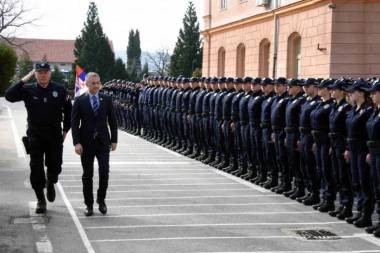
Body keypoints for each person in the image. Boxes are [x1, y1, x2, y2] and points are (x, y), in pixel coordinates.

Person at [5, 62, 72, 214]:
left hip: (54, 133)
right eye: (39, 72)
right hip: (35, 134)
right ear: (35, 74)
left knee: (55, 165)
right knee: (36, 166)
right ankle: (41, 199)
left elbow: (69, 110)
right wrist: (24, 79)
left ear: (50, 73)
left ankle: (51, 181)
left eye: (45, 72)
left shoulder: (59, 89)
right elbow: (9, 96)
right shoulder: (28, 89)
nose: (43, 75)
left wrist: (66, 130)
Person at [71, 72, 118, 217]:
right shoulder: (79, 100)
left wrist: (114, 139)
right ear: (87, 84)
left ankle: (101, 199)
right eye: (93, 83)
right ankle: (89, 204)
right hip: (86, 143)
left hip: (103, 142)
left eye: (98, 83)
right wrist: (77, 142)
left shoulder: (106, 99)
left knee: (104, 171)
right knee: (87, 175)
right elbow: (74, 123)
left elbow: (113, 121)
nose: (96, 85)